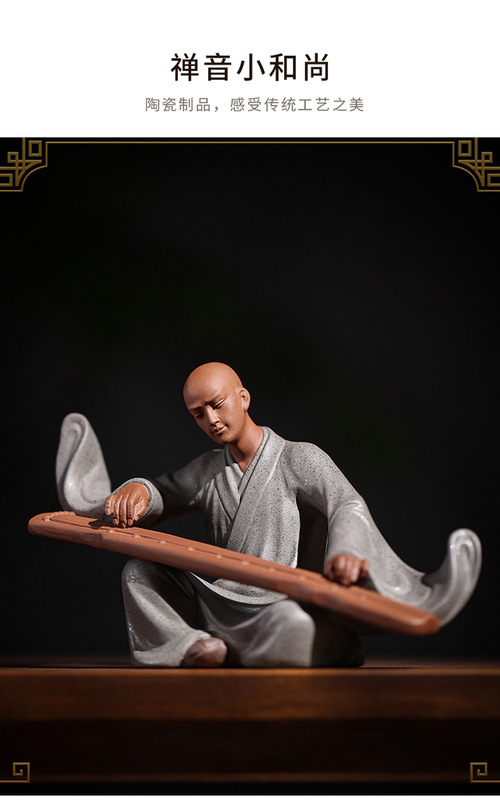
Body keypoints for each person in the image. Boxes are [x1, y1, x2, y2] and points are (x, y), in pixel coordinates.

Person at [93, 362, 480, 669]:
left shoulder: (299, 458)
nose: (211, 419)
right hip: (220, 601)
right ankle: (192, 645)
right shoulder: (207, 470)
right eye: (198, 414)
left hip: (278, 603)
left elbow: (346, 503)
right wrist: (140, 490)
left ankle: (258, 647)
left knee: (292, 625)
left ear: (243, 397)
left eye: (217, 404)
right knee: (139, 573)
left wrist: (344, 552)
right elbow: (166, 491)